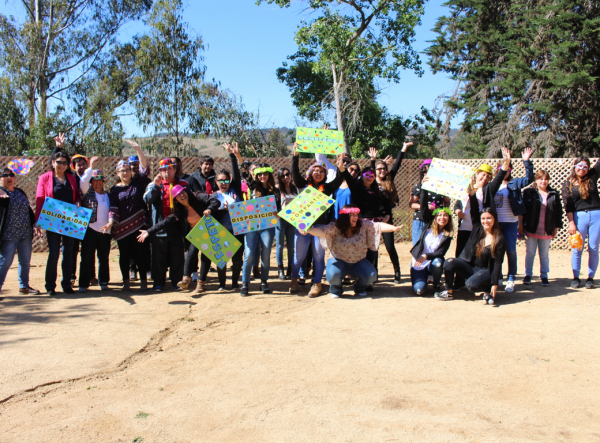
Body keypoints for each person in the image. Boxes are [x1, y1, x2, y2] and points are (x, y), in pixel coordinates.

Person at [302, 204, 402, 298]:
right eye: (352, 215)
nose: (355, 217)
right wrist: (308, 230)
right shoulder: (335, 227)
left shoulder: (363, 224)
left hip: (358, 261)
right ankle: (336, 290)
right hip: (338, 261)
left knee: (371, 275)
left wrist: (393, 228)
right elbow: (322, 231)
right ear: (345, 217)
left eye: (356, 214)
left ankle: (359, 289)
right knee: (332, 275)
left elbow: (378, 226)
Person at [138, 185, 219, 293]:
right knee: (191, 252)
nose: (182, 195)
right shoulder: (180, 211)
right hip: (197, 233)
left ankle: (201, 283)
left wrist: (209, 209)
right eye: (178, 195)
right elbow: (165, 222)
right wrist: (148, 231)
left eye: (182, 192)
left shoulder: (198, 197)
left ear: (186, 191)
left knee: (206, 256)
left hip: (209, 229)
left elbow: (215, 201)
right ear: (175, 199)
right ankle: (185, 279)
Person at [290, 146, 344, 297]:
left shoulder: (327, 188)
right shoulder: (303, 185)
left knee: (319, 257)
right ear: (310, 173)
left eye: (321, 171)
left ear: (325, 174)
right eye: (315, 170)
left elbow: (339, 179)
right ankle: (294, 280)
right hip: (303, 226)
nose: (318, 173)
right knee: (298, 256)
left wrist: (340, 166)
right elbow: (294, 174)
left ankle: (317, 283)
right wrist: (295, 156)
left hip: (320, 227)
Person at [453, 152, 511, 290]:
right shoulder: (465, 187)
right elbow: (457, 204)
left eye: (488, 176)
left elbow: (499, 178)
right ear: (477, 174)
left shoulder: (488, 189)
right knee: (460, 255)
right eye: (482, 174)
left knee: (477, 256)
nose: (484, 178)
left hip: (479, 229)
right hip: (464, 227)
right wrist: (457, 212)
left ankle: (480, 282)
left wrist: (506, 163)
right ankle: (458, 283)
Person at [437, 190, 507, 306]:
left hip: (485, 271)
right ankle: (449, 291)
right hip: (471, 268)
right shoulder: (478, 230)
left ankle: (487, 289)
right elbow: (474, 211)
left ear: (494, 219)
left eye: (489, 218)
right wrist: (473, 195)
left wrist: (495, 284)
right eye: (483, 218)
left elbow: (497, 263)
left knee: (470, 285)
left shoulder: (499, 239)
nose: (486, 221)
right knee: (449, 262)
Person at [35, 151, 81, 294]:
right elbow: (40, 199)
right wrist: (38, 221)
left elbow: (77, 196)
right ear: (53, 162)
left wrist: (78, 202)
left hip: (69, 218)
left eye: (64, 163)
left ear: (68, 165)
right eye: (59, 162)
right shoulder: (45, 178)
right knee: (54, 253)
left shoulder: (72, 178)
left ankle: (67, 284)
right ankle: (50, 286)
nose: (61, 165)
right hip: (52, 218)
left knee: (68, 252)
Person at [107, 141, 150, 291]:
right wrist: (111, 222)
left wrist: (138, 149)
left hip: (138, 225)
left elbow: (144, 167)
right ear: (118, 173)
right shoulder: (114, 190)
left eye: (127, 170)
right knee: (124, 256)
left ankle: (144, 282)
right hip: (122, 228)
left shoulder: (138, 182)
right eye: (122, 171)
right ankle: (126, 282)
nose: (125, 173)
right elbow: (112, 207)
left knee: (141, 254)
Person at [369, 142, 413, 283]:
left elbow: (397, 165)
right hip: (373, 219)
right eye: (379, 169)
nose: (382, 171)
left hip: (387, 218)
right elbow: (370, 169)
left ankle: (397, 271)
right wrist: (373, 160)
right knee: (373, 246)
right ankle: (374, 272)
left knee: (389, 246)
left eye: (384, 169)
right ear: (375, 170)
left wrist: (403, 149)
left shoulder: (389, 180)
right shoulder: (370, 182)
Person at [492, 147, 534, 292]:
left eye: (509, 168)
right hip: (495, 224)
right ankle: (498, 277)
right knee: (496, 251)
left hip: (510, 222)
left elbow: (529, 178)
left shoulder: (514, 183)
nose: (506, 170)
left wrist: (526, 161)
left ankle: (511, 278)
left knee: (510, 250)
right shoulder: (493, 185)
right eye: (503, 167)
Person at [143, 158, 189, 291]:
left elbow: (190, 201)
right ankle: (158, 282)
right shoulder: (155, 185)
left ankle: (176, 282)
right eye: (163, 170)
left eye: (169, 169)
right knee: (158, 256)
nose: (167, 172)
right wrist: (155, 186)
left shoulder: (183, 184)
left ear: (175, 170)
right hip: (159, 226)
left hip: (177, 227)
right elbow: (147, 199)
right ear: (160, 172)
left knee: (177, 256)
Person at [240, 162, 281, 296]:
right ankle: (245, 283)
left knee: (266, 254)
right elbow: (245, 172)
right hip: (251, 226)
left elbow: (279, 209)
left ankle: (264, 282)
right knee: (249, 255)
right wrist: (238, 156)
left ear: (269, 175)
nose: (263, 176)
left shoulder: (275, 191)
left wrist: (277, 214)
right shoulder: (253, 186)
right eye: (260, 174)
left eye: (265, 174)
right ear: (257, 176)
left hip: (267, 227)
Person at [209, 143, 246, 289]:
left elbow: (236, 173)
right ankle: (222, 284)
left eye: (226, 180)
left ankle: (235, 283)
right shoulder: (213, 196)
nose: (223, 183)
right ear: (216, 182)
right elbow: (209, 214)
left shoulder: (235, 190)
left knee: (237, 260)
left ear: (229, 181)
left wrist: (232, 155)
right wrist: (221, 211)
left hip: (238, 230)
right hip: (221, 231)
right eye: (220, 181)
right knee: (221, 259)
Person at [520, 170, 563, 286]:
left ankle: (544, 275)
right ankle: (528, 275)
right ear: (536, 180)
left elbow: (559, 212)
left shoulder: (554, 194)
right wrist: (521, 226)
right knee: (530, 253)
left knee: (544, 254)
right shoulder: (528, 192)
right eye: (541, 179)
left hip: (547, 228)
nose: (543, 181)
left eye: (546, 179)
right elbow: (523, 211)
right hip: (531, 227)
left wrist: (556, 227)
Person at [562, 156, 600, 289]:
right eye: (580, 166)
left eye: (585, 166)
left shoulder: (592, 177)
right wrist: (571, 222)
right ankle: (576, 277)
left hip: (596, 215)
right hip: (578, 217)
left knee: (593, 248)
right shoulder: (568, 184)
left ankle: (590, 278)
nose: (582, 169)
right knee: (577, 248)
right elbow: (568, 206)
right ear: (575, 167)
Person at [0, 167, 39, 295]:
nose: (9, 177)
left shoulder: (20, 192)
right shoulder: (1, 193)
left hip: (25, 233)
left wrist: (33, 224)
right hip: (9, 234)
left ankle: (24, 286)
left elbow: (28, 210)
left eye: (11, 175)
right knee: (5, 262)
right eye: (5, 175)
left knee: (25, 261)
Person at [410, 188, 454, 296]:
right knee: (419, 290)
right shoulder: (427, 226)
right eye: (439, 215)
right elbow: (424, 206)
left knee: (438, 262)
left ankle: (436, 285)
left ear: (449, 218)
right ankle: (421, 278)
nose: (442, 218)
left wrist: (425, 255)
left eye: (445, 215)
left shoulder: (447, 234)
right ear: (435, 217)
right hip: (419, 262)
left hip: (431, 262)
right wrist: (424, 190)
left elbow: (440, 253)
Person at [78, 159, 112, 293]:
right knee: (86, 257)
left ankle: (103, 281)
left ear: (103, 182)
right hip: (90, 229)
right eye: (95, 180)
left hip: (105, 231)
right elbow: (82, 181)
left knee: (104, 257)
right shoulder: (87, 193)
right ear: (91, 182)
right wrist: (91, 167)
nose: (97, 183)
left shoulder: (108, 195)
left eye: (100, 180)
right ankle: (83, 283)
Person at [409, 160, 449, 245]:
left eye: (429, 171)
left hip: (436, 219)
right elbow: (411, 204)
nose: (426, 173)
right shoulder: (419, 186)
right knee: (418, 245)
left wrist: (443, 211)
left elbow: (447, 202)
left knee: (434, 245)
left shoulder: (442, 186)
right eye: (424, 171)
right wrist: (424, 206)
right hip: (420, 219)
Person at [127, 152, 150, 282]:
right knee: (130, 246)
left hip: (143, 216)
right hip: (129, 217)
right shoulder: (126, 181)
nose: (135, 167)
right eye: (132, 165)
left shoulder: (145, 180)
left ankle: (147, 269)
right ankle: (132, 269)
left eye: (137, 165)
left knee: (144, 245)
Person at [276, 166, 298, 280]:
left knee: (291, 246)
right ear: (280, 178)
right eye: (283, 175)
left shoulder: (295, 189)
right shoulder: (277, 189)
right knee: (279, 246)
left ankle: (290, 269)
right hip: (280, 220)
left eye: (287, 174)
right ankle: (280, 270)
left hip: (292, 221)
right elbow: (274, 204)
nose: (286, 177)